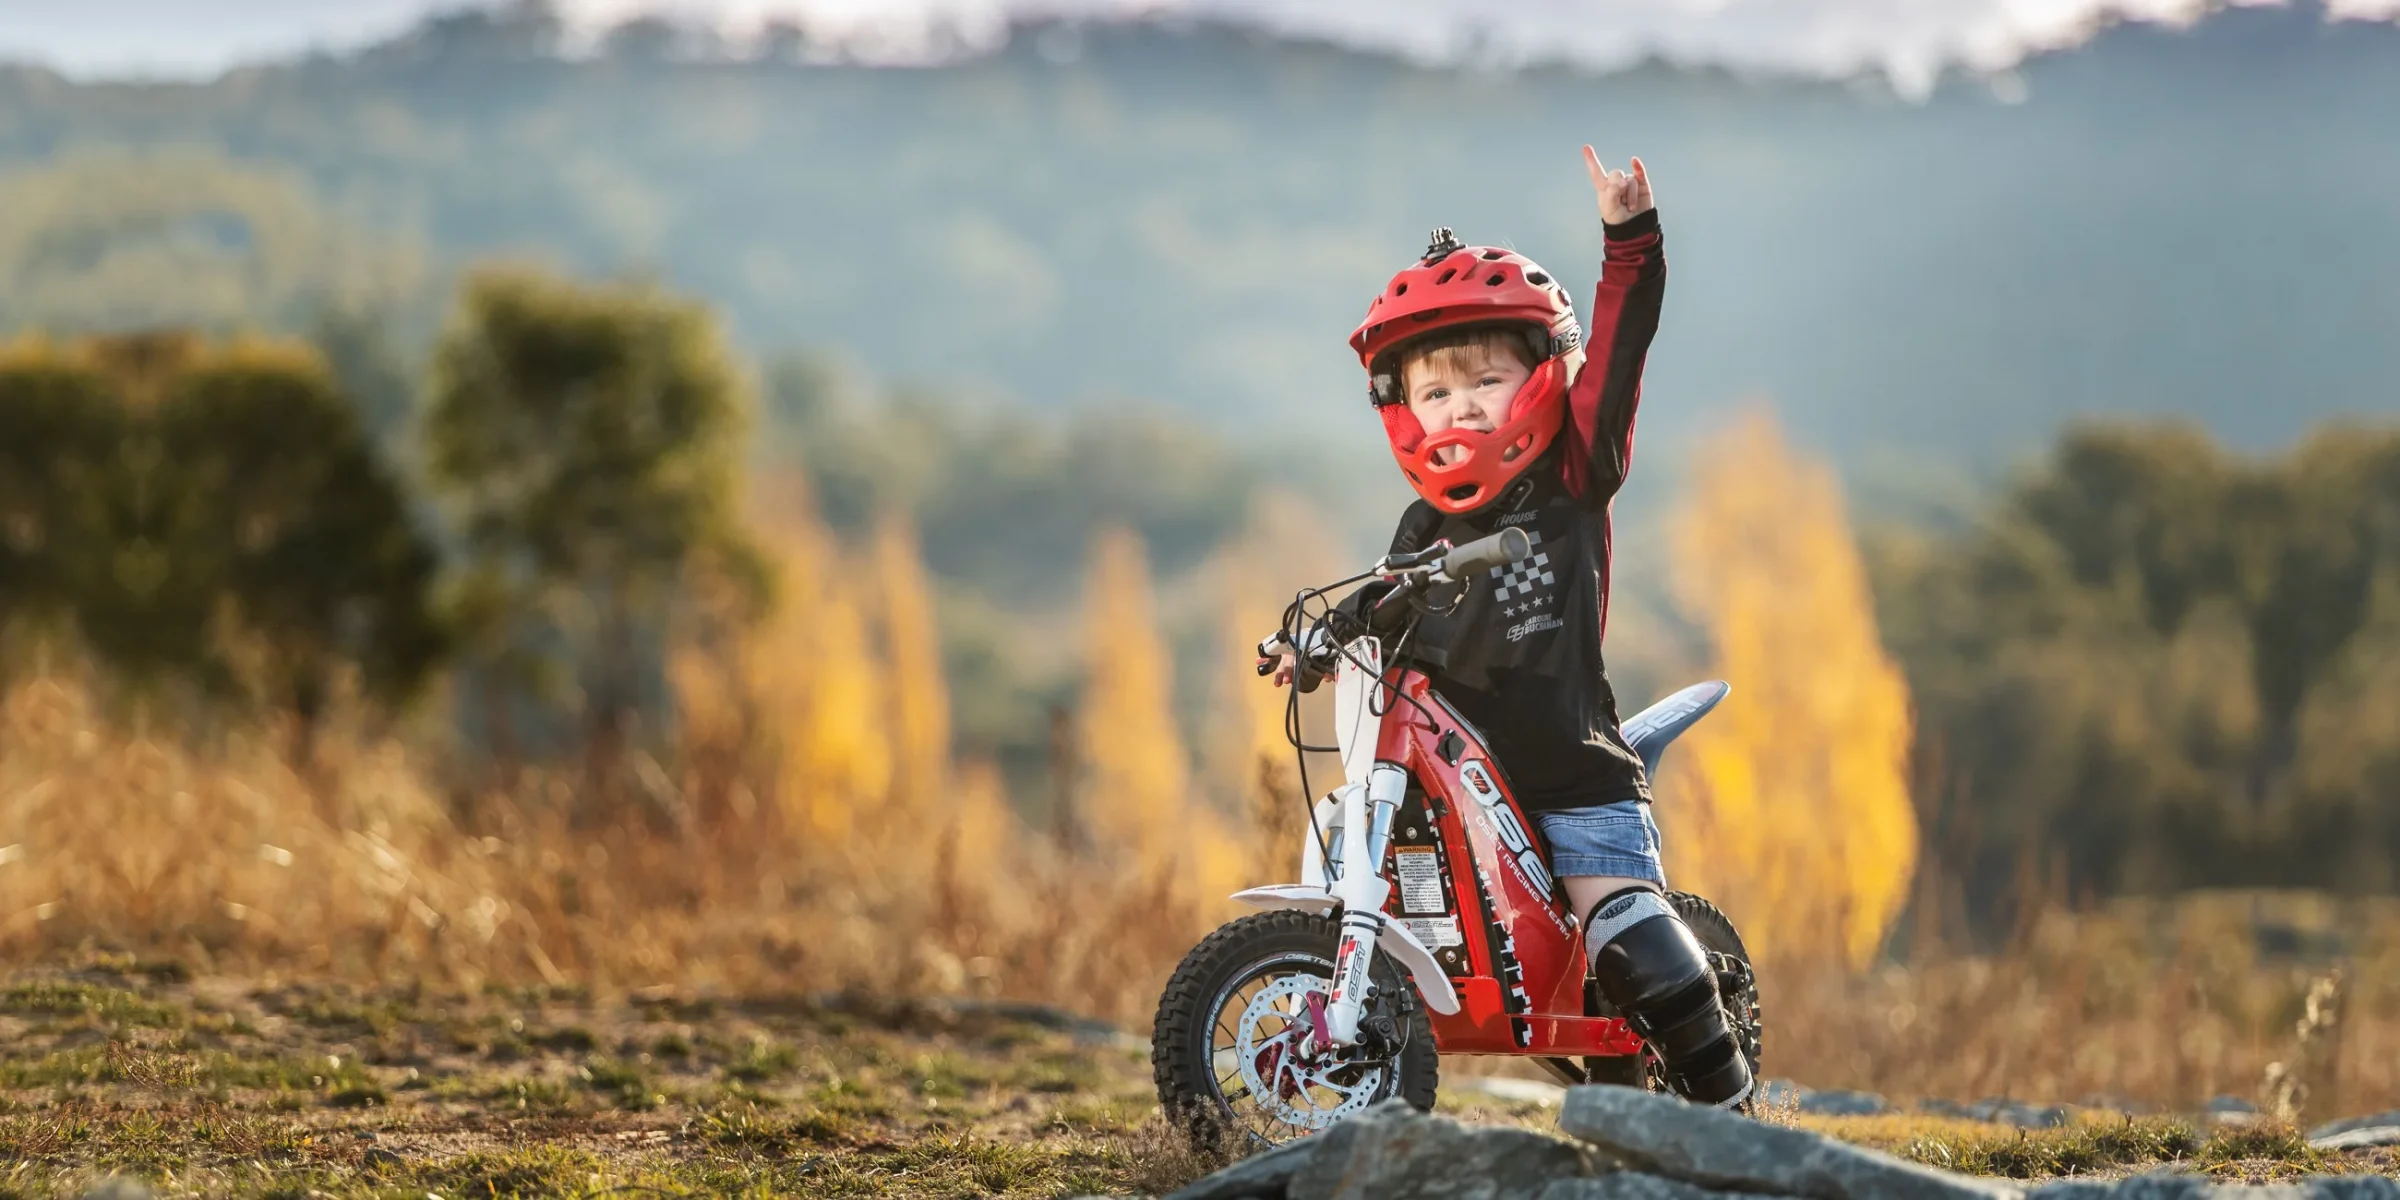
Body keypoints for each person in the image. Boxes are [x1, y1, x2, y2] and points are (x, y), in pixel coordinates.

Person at [1269, 149, 1752, 1110]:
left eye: (1482, 382)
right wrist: (1309, 646)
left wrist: (1629, 245)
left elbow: (1621, 351)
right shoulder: (1426, 525)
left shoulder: (1575, 473)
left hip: (1566, 775)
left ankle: (1728, 1096)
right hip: (1445, 772)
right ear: (1400, 409)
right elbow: (1373, 599)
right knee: (1338, 845)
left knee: (1626, 936)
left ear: (1539, 377)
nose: (1459, 407)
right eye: (1434, 393)